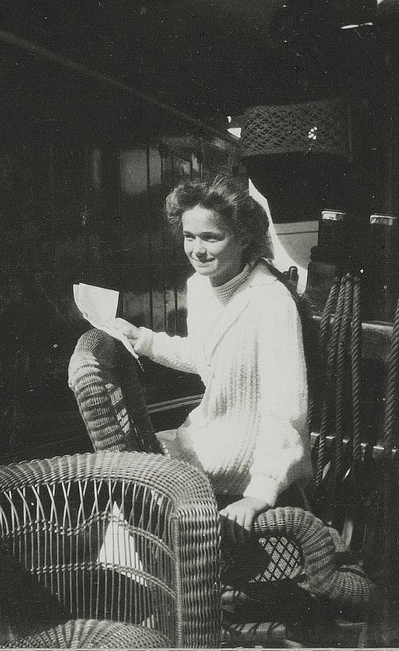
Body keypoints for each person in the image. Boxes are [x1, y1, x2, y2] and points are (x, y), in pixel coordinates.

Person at [112, 172, 312, 542]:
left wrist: (261, 491)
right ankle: (142, 571)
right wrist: (143, 340)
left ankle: (150, 570)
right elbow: (208, 357)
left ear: (244, 237)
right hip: (209, 433)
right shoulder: (202, 287)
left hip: (247, 456)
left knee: (134, 481)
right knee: (126, 478)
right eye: (189, 236)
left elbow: (288, 407)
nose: (197, 250)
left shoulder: (270, 300)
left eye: (211, 237)